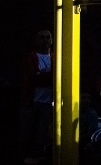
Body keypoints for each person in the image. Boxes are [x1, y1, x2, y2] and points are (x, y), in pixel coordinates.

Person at [19, 29, 53, 163]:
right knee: (26, 133)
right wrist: (48, 76)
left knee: (43, 134)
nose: (45, 40)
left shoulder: (55, 57)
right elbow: (33, 77)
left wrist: (42, 75)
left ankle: (39, 158)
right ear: (36, 40)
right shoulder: (31, 57)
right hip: (30, 101)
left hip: (47, 102)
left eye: (47, 37)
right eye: (41, 37)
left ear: (51, 40)